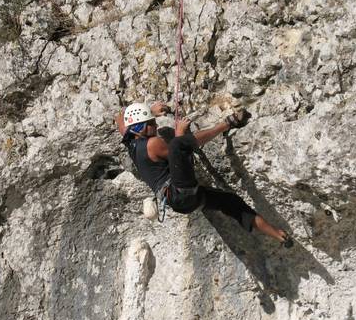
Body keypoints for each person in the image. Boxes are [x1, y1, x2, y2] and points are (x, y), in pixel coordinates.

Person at [115, 101, 292, 245]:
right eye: (152, 123)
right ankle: (226, 125)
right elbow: (180, 154)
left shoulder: (131, 144)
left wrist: (149, 111)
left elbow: (119, 119)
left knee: (232, 202)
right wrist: (179, 133)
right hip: (179, 192)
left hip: (182, 203)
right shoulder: (152, 144)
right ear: (140, 128)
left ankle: (278, 235)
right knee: (178, 144)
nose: (156, 124)